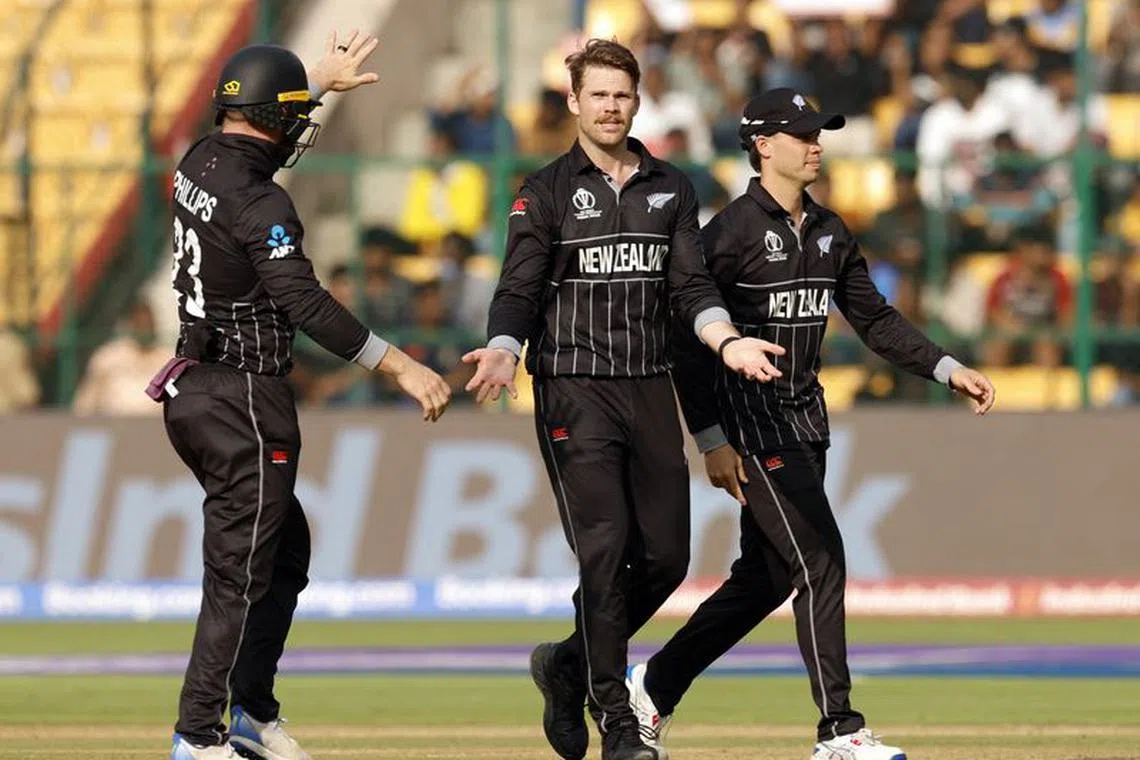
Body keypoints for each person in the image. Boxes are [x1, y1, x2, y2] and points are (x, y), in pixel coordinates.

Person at [624, 89, 997, 760]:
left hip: (806, 426)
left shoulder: (829, 230)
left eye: (818, 132)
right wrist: (710, 438)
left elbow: (875, 320)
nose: (816, 143)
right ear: (763, 146)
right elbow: (685, 340)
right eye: (801, 134)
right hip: (751, 431)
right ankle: (840, 732)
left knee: (765, 578)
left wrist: (946, 368)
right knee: (820, 561)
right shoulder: (729, 236)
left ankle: (652, 684)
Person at [462, 38, 784, 760]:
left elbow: (691, 289)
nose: (611, 106)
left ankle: (568, 662)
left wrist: (726, 340)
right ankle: (618, 725)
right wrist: (505, 348)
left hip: (648, 389)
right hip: (574, 391)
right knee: (604, 556)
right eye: (598, 95)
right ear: (574, 102)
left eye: (622, 95)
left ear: (638, 101)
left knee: (666, 560)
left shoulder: (672, 187)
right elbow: (517, 288)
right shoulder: (541, 191)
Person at [152, 32, 452, 760]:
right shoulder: (264, 202)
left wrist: (310, 81)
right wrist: (400, 365)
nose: (297, 128)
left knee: (284, 553)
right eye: (289, 114)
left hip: (193, 387)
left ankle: (250, 708)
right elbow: (306, 304)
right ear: (270, 116)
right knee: (242, 573)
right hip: (243, 397)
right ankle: (198, 735)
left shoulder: (200, 158)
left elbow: (249, 134)